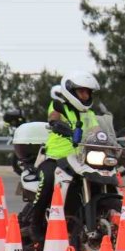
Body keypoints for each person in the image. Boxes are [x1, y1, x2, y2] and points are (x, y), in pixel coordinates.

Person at [29, 71, 100, 240]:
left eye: (87, 92)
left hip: (80, 160)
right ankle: (35, 223)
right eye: (81, 91)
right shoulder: (59, 106)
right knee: (47, 181)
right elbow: (53, 118)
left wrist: (109, 140)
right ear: (71, 91)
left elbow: (97, 132)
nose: (85, 95)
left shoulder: (89, 115)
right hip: (54, 158)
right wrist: (57, 124)